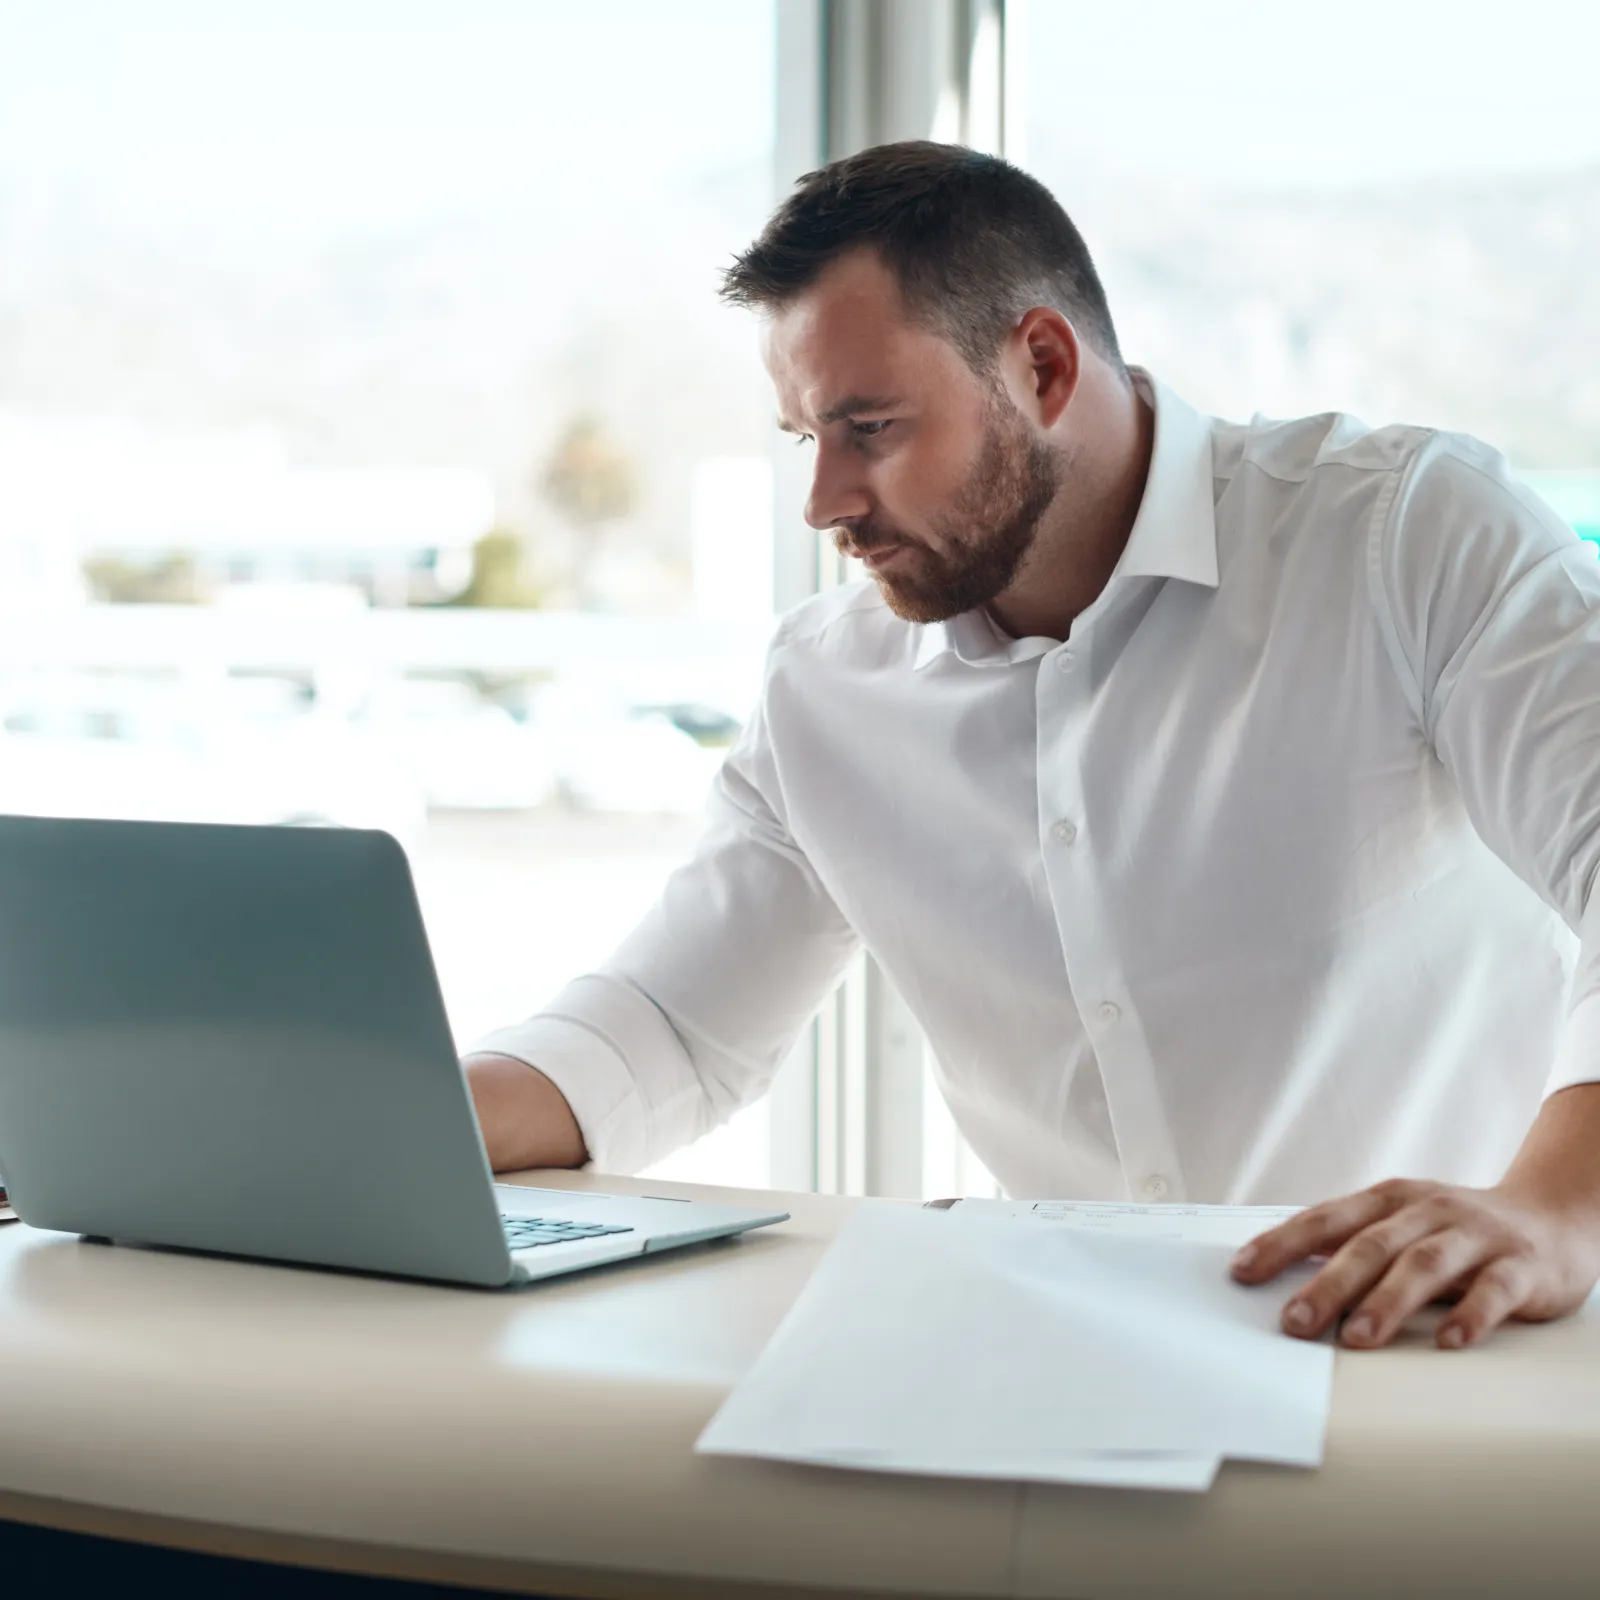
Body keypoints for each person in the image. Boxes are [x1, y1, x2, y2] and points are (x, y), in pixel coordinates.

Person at [464, 141, 1600, 1352]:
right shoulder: (824, 686)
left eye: (872, 426)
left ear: (1043, 365)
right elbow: (671, 1027)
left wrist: (1555, 1210)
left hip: (1446, 1351)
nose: (825, 501)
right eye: (809, 437)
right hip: (1069, 1371)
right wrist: (382, 1126)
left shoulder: (1403, 537)